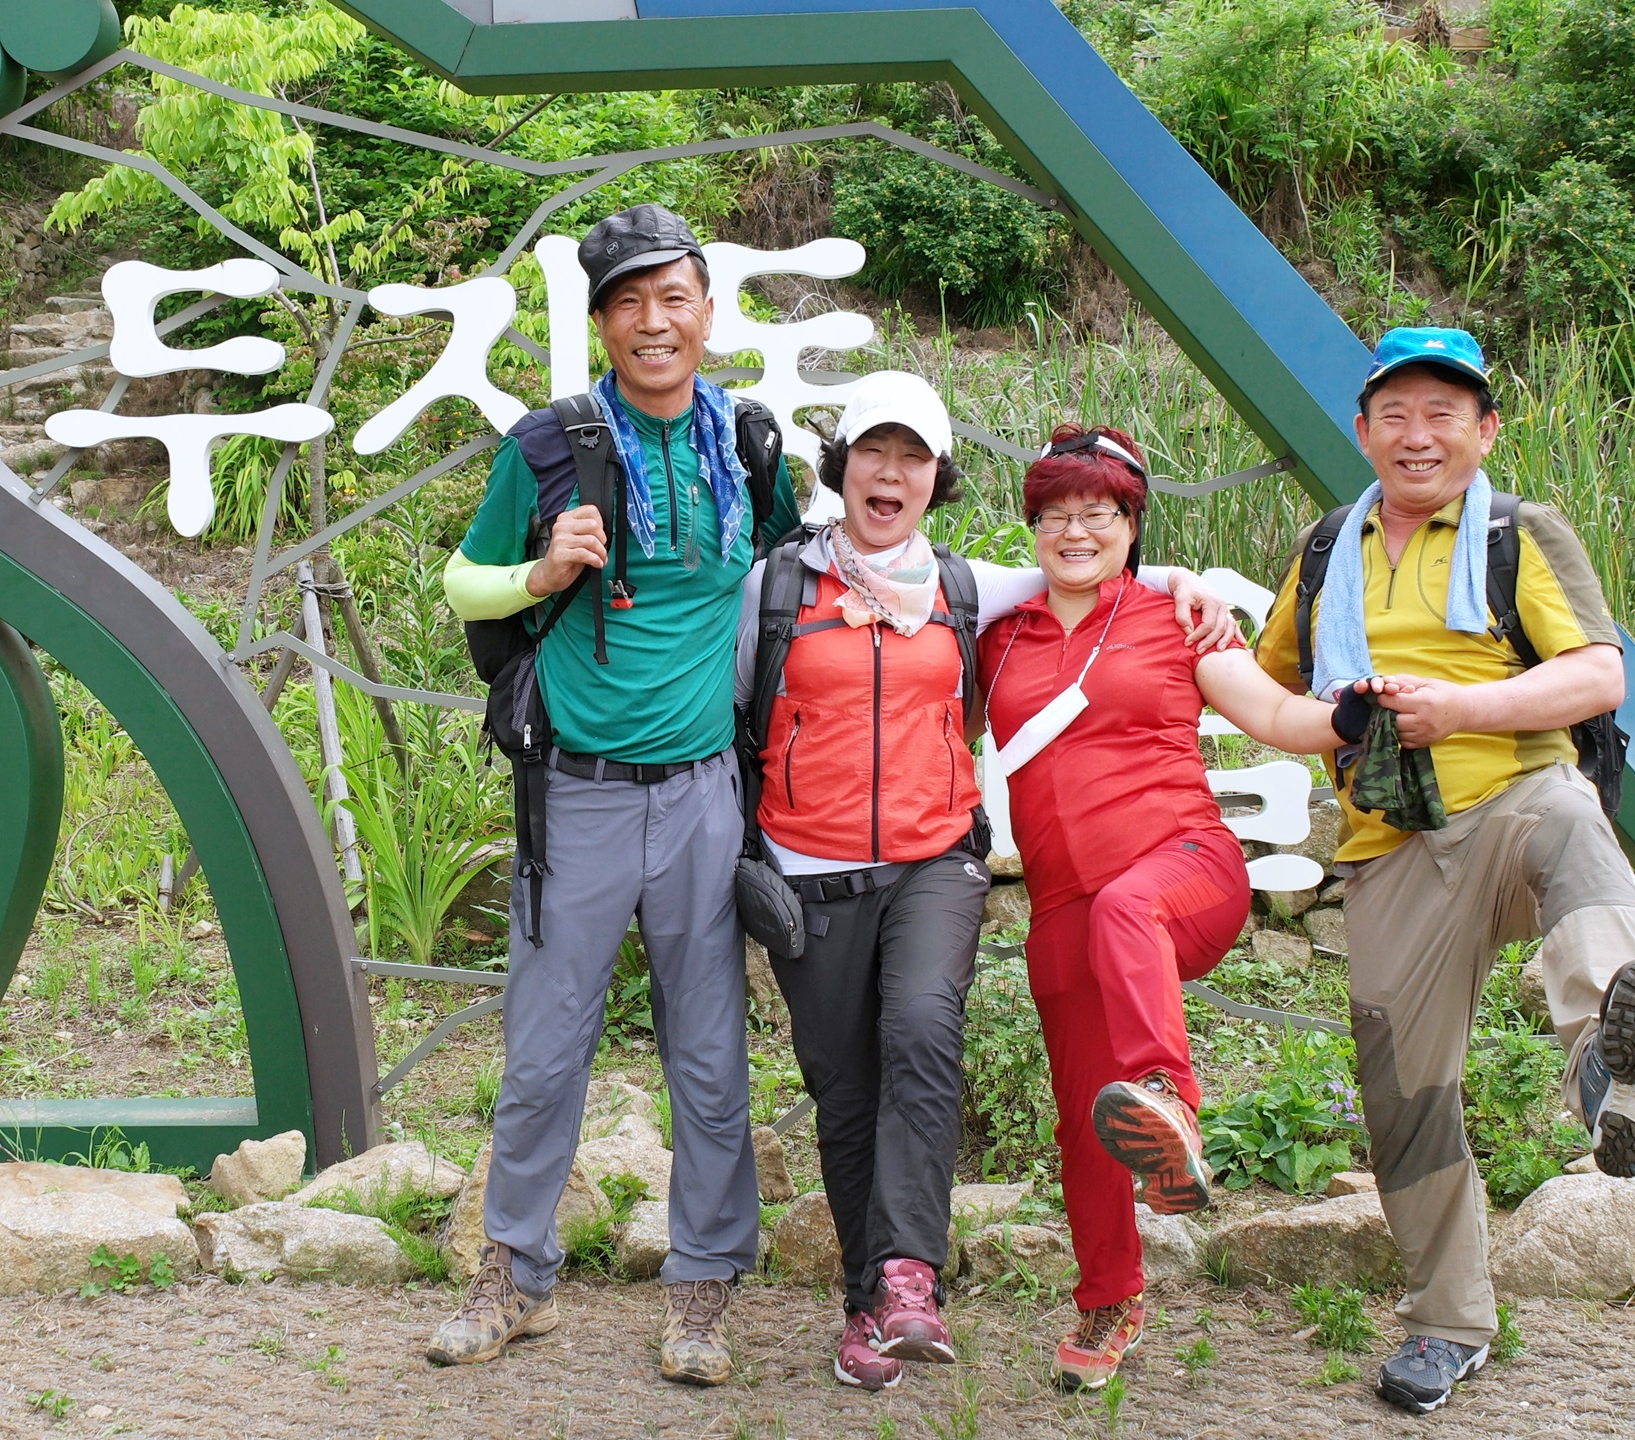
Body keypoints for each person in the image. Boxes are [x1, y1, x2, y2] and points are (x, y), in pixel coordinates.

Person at [734, 376, 1246, 1393]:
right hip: (811, 869)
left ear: (936, 479)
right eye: (873, 453)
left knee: (923, 1035)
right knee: (845, 1092)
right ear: (841, 468)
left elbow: (1089, 564)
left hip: (934, 861)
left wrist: (1188, 578)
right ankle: (868, 1304)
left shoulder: (965, 587)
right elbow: (731, 713)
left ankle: (913, 1280)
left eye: (913, 457)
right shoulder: (776, 587)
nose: (891, 473)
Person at [1255, 327, 1635, 1415]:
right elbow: (1270, 681)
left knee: (1572, 822)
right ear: (1363, 431)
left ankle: (1614, 1072)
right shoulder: (1328, 547)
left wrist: (1463, 709)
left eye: (1444, 414)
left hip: (1510, 801)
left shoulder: (1519, 532)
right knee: (1403, 1093)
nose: (1419, 435)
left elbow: (1597, 677)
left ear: (1485, 431)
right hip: (1389, 843)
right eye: (1396, 414)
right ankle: (1450, 1322)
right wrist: (1196, 623)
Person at [429, 204, 804, 1386]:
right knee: (545, 1053)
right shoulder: (548, 445)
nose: (654, 321)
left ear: (707, 310)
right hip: (577, 795)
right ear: (601, 323)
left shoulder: (748, 447)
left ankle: (703, 1287)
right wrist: (542, 571)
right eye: (628, 301)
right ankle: (513, 1274)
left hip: (703, 795)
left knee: (710, 1056)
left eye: (673, 296)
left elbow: (795, 574)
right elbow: (463, 584)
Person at [979, 423, 1377, 1393]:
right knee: (1084, 1121)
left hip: (1183, 870)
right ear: (1033, 527)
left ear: (1131, 523)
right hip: (1062, 909)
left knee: (1127, 908)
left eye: (1099, 512)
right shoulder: (999, 635)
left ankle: (1170, 1099)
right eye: (1055, 514)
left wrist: (1349, 713)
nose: (1076, 531)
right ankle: (1109, 1301)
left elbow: (1271, 712)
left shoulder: (1173, 618)